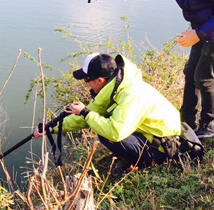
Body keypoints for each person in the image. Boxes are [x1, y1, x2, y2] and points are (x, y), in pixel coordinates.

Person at [94, 0, 214, 140]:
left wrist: (199, 34)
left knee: (204, 77)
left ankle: (210, 126)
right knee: (190, 73)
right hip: (202, 26)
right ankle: (187, 121)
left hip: (208, 29)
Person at [34, 52, 182, 170]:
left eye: (87, 80)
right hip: (150, 135)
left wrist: (85, 113)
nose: (86, 85)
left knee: (106, 134)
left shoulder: (131, 94)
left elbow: (115, 132)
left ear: (99, 80)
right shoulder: (114, 87)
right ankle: (138, 157)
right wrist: (51, 128)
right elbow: (89, 113)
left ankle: (148, 162)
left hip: (165, 146)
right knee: (101, 125)